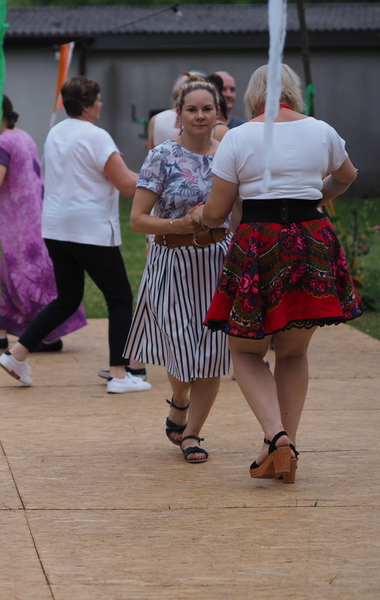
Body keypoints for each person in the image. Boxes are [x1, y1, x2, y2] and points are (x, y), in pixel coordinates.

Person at [191, 64, 360, 483]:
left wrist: (198, 219)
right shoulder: (321, 130)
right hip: (311, 239)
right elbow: (347, 176)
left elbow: (217, 212)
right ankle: (286, 448)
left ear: (254, 95)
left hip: (260, 242)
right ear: (292, 91)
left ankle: (277, 437)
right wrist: (315, 197)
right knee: (294, 352)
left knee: (247, 352)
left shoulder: (239, 137)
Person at [0, 76, 151, 395]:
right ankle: (119, 375)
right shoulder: (98, 136)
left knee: (67, 298)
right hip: (90, 228)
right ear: (88, 104)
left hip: (55, 227)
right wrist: (159, 179)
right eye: (98, 99)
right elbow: (126, 184)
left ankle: (16, 354)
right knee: (120, 299)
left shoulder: (56, 132)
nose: (101, 104)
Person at [124, 77, 234, 463]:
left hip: (217, 263)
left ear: (218, 113)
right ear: (179, 114)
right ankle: (180, 399)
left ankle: (193, 434)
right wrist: (181, 224)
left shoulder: (229, 156)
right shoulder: (162, 156)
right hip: (172, 261)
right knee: (181, 349)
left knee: (213, 351)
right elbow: (137, 220)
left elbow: (239, 213)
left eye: (207, 109)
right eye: (192, 109)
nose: (200, 116)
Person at [0, 94, 86, 352]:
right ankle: (0, 332)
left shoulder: (3, 141)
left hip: (20, 224)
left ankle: (48, 336)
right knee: (7, 271)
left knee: (26, 275)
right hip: (35, 215)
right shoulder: (22, 136)